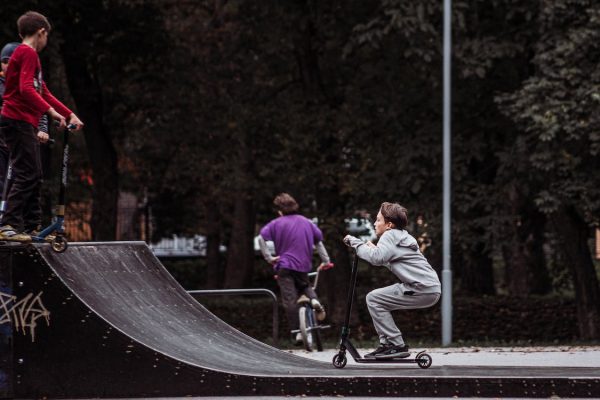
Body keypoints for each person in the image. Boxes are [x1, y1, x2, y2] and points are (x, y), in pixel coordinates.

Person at [0, 11, 83, 242]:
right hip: (16, 120)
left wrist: (69, 113)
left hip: (23, 121)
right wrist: (52, 113)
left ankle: (30, 226)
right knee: (28, 173)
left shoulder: (27, 56)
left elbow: (43, 91)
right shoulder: (27, 53)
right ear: (42, 32)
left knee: (33, 174)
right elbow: (26, 90)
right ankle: (8, 224)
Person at [343, 202, 441, 359]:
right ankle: (388, 344)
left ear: (389, 225)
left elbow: (376, 259)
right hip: (429, 288)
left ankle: (395, 344)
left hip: (421, 288)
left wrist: (356, 243)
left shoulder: (389, 235)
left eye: (378, 220)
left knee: (374, 299)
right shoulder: (400, 236)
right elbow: (385, 259)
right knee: (376, 300)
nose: (374, 223)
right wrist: (371, 248)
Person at [258, 193, 331, 344]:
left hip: (284, 266)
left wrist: (269, 258)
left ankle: (297, 332)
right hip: (303, 266)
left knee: (289, 299)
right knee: (305, 285)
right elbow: (319, 243)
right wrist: (326, 261)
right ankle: (315, 301)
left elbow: (261, 238)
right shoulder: (307, 222)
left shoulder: (276, 223)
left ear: (280, 211)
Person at [0, 41, 50, 196]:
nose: (8, 65)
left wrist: (42, 129)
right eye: (4, 62)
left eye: (11, 61)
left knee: (25, 179)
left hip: (21, 138)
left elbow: (39, 107)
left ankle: (18, 218)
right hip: (3, 138)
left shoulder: (29, 83)